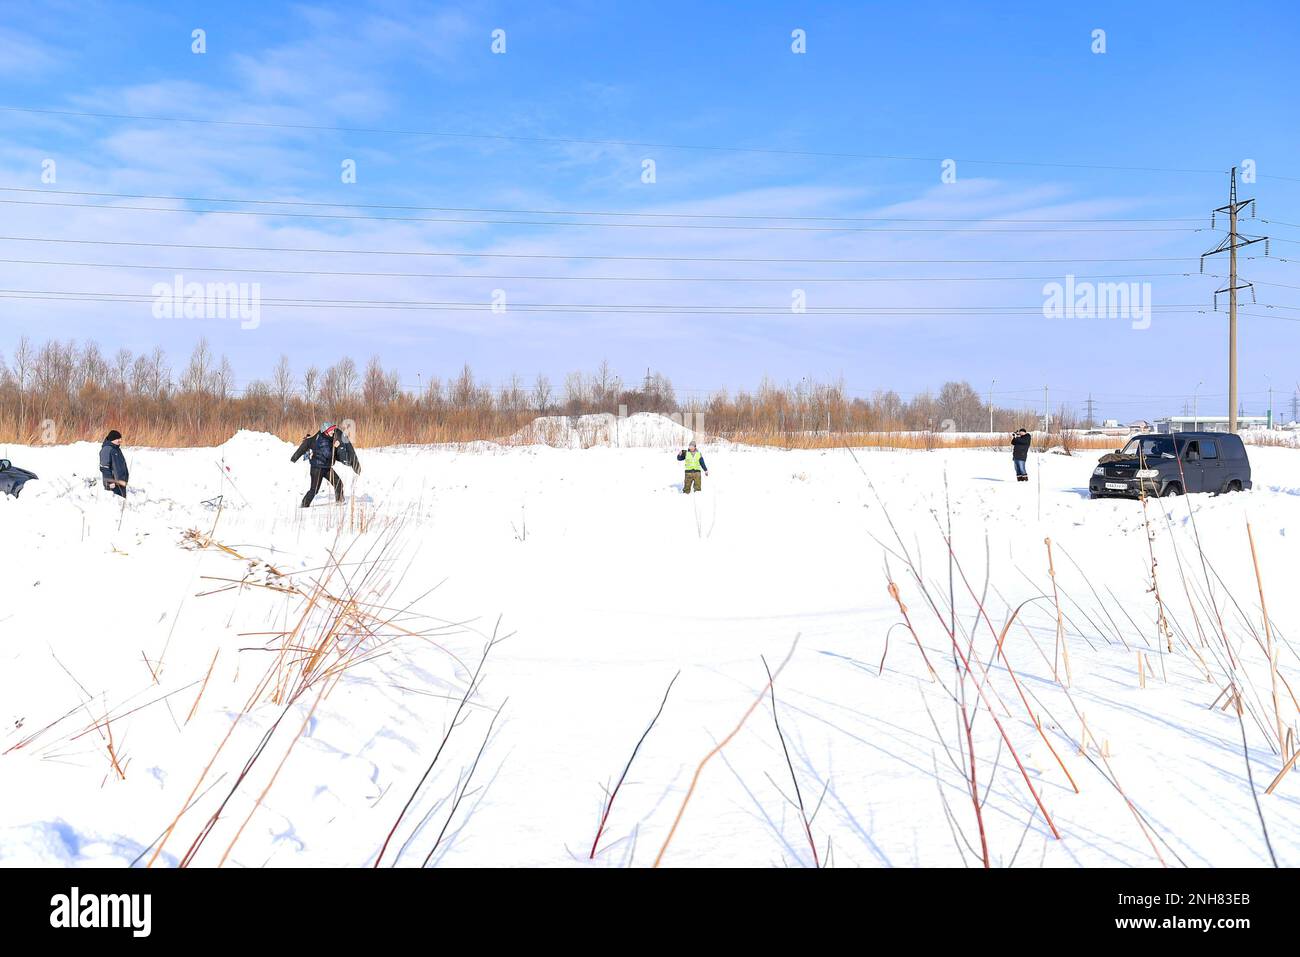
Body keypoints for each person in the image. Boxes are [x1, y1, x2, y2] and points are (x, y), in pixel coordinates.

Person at [291, 422, 360, 507]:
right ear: (325, 431)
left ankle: (340, 501)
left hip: (326, 467)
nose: (333, 432)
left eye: (333, 430)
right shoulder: (322, 441)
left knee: (338, 482)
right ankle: (304, 504)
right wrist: (336, 446)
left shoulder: (326, 437)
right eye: (331, 430)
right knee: (314, 490)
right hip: (317, 469)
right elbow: (328, 455)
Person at [99, 430, 129, 498]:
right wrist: (110, 482)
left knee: (122, 506)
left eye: (120, 438)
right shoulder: (107, 449)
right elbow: (104, 467)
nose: (120, 440)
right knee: (114, 506)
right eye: (118, 438)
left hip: (121, 484)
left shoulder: (116, 449)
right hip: (113, 485)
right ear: (112, 439)